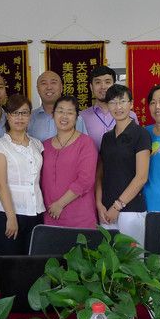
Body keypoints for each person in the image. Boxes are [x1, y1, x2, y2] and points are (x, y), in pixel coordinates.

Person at [0, 94, 44, 256]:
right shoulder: (0, 146)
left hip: (36, 211)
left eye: (24, 113)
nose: (20, 117)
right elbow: (1, 184)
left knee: (34, 262)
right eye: (15, 113)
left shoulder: (37, 144)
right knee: (11, 264)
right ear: (8, 116)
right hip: (10, 213)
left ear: (30, 115)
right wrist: (11, 217)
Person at [96, 84, 150, 245]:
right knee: (109, 258)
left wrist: (117, 206)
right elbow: (100, 174)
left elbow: (141, 177)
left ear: (131, 104)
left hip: (130, 210)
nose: (117, 107)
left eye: (122, 101)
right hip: (106, 211)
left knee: (132, 258)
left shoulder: (141, 134)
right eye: (112, 102)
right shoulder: (107, 137)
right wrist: (99, 204)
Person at [41, 95, 97, 228]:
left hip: (79, 217)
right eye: (60, 111)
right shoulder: (44, 146)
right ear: (53, 114)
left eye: (70, 112)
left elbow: (85, 180)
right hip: (50, 216)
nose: (64, 116)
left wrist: (60, 204)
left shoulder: (86, 143)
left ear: (77, 117)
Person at [80, 66, 138, 149]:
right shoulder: (82, 117)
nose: (103, 86)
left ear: (114, 85)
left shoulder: (130, 115)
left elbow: (136, 145)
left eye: (107, 82)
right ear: (91, 87)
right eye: (98, 82)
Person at [28, 71, 86, 141]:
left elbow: (84, 143)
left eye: (53, 82)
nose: (49, 87)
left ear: (61, 87)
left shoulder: (76, 118)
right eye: (44, 83)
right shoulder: (29, 118)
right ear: (38, 89)